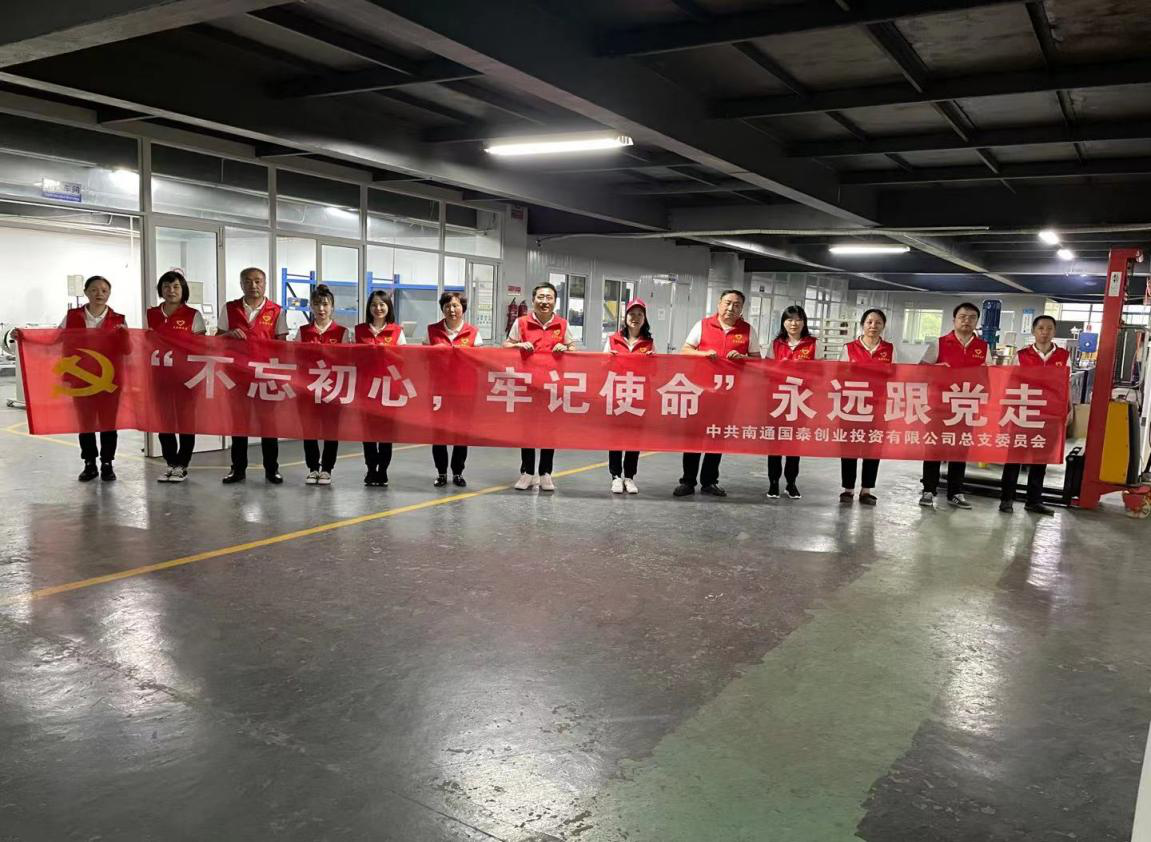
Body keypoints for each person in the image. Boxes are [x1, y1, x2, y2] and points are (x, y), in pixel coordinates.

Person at [674, 289, 760, 498]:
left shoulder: (748, 330)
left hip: (728, 393)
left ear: (742, 309)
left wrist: (742, 358)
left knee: (716, 436)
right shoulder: (703, 325)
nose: (731, 308)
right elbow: (685, 350)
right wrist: (704, 354)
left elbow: (758, 359)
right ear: (719, 304)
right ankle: (687, 481)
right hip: (700, 391)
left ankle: (709, 481)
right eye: (728, 303)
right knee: (694, 437)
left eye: (737, 305)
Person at [218, 267, 288, 484]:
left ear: (265, 283)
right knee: (239, 424)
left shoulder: (276, 311)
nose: (253, 285)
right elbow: (217, 339)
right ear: (241, 284)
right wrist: (228, 335)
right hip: (237, 376)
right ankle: (238, 469)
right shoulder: (230, 308)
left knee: (269, 425)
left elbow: (283, 345)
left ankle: (272, 469)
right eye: (248, 281)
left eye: (258, 281)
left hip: (266, 376)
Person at [504, 282, 575, 492]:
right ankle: (527, 472)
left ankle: (545, 473)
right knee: (527, 430)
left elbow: (573, 348)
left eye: (549, 297)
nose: (545, 301)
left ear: (555, 301)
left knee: (549, 430)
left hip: (552, 386)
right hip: (527, 385)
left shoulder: (562, 324)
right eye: (541, 297)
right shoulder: (521, 322)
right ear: (534, 300)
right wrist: (517, 345)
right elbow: (506, 345)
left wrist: (565, 348)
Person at [919, 301, 989, 510]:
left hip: (966, 407)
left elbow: (989, 375)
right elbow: (921, 370)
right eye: (962, 317)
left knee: (960, 450)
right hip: (939, 406)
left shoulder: (983, 347)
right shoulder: (939, 343)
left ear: (977, 322)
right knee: (934, 448)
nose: (967, 321)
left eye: (972, 318)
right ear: (954, 320)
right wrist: (938, 368)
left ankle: (955, 492)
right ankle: (928, 490)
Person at [56, 275, 126, 481]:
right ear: (86, 292)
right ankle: (89, 463)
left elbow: (128, 350)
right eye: (94, 290)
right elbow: (54, 337)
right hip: (80, 378)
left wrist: (125, 336)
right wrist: (24, 336)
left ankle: (107, 463)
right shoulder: (72, 316)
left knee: (108, 423)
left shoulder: (118, 319)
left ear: (109, 294)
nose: (99, 294)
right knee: (85, 422)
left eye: (104, 290)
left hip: (109, 380)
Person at [1000, 315, 1067, 516]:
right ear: (1033, 331)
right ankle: (1006, 499)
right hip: (1023, 412)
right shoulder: (1021, 355)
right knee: (1014, 457)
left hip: (1049, 414)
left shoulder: (1063, 356)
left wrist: (1068, 409)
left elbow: (1066, 384)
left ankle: (1034, 501)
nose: (1045, 332)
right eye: (1041, 328)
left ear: (1054, 331)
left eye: (1049, 328)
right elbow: (1011, 384)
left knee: (1040, 458)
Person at [146, 270, 207, 483]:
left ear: (183, 290)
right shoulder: (151, 314)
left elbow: (201, 346)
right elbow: (142, 341)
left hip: (186, 377)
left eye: (176, 287)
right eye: (166, 286)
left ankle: (182, 465)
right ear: (161, 289)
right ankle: (171, 463)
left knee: (186, 422)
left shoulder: (192, 315)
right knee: (164, 423)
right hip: (159, 376)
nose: (171, 290)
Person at [839, 308, 895, 505]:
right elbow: (840, 374)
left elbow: (896, 375)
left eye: (878, 323)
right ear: (862, 324)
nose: (873, 326)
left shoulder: (890, 349)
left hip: (878, 406)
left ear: (883, 326)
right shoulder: (849, 348)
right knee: (850, 447)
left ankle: (866, 490)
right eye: (869, 322)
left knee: (873, 447)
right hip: (852, 405)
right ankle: (848, 489)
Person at [427, 290, 483, 488]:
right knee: (438, 433)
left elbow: (480, 361)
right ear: (442, 308)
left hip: (464, 392)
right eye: (447, 306)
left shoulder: (473, 333)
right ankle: (441, 473)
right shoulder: (431, 331)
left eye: (456, 306)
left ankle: (458, 472)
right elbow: (423, 358)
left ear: (463, 308)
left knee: (461, 433)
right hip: (438, 390)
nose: (452, 310)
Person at [296, 284, 350, 486]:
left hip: (332, 389)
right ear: (311, 306)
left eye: (325, 304)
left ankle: (327, 468)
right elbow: (295, 359)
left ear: (332, 307)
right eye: (317, 304)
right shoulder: (303, 332)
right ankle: (312, 468)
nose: (321, 309)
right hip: (308, 389)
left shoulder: (342, 332)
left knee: (331, 430)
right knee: (309, 429)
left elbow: (347, 362)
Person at [764, 305, 817, 500]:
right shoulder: (775, 344)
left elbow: (820, 371)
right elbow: (767, 371)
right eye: (789, 319)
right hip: (778, 400)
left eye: (798, 319)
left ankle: (791, 483)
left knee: (794, 444)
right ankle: (773, 482)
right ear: (783, 323)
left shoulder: (813, 344)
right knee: (775, 443)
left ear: (804, 322)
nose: (794, 323)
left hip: (801, 401)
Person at [355, 289, 406, 487]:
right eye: (374, 304)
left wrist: (387, 355)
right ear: (369, 308)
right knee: (367, 433)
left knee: (386, 433)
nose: (378, 308)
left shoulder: (397, 331)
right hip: (365, 388)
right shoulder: (359, 331)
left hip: (389, 389)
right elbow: (350, 358)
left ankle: (383, 470)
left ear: (388, 307)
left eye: (382, 304)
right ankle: (370, 469)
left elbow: (404, 359)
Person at [603, 298, 654, 494]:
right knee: (615, 437)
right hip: (616, 395)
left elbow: (655, 371)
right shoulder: (613, 340)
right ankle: (616, 476)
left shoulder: (649, 343)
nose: (635, 318)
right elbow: (600, 366)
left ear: (644, 318)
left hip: (638, 396)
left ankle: (629, 477)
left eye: (640, 314)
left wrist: (652, 361)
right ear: (625, 317)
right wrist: (609, 360)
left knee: (634, 438)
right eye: (632, 314)